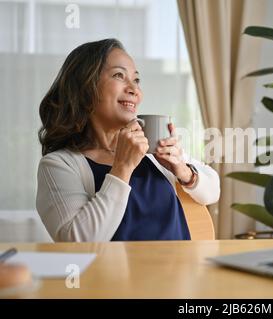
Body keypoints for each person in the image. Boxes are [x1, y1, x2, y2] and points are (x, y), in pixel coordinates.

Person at [36, 39, 220, 242]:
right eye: (119, 75)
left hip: (180, 272)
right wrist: (122, 168)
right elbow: (79, 241)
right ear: (86, 87)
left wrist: (183, 171)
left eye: (137, 80)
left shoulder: (152, 149)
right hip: (113, 275)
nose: (134, 89)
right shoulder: (58, 165)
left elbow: (213, 191)